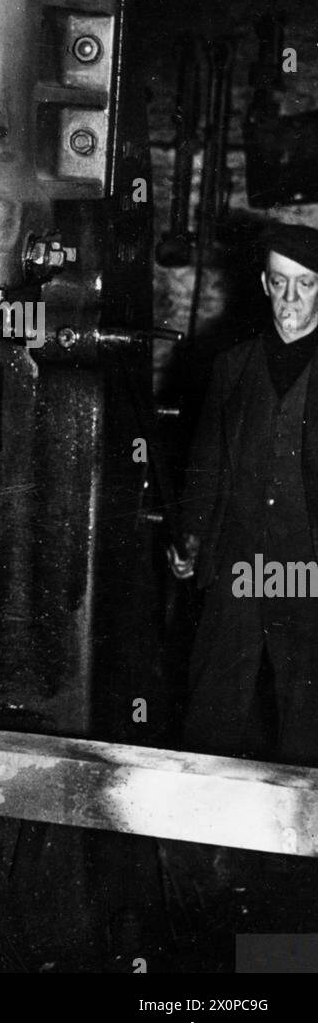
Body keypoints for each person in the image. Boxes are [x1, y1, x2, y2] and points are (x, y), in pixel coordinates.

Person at [170, 222, 318, 764]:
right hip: (236, 560)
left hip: (308, 569)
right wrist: (190, 538)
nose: (290, 299)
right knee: (212, 711)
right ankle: (192, 846)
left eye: (304, 284)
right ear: (263, 284)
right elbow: (205, 467)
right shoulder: (232, 367)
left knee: (307, 719)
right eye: (280, 283)